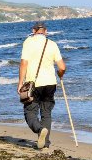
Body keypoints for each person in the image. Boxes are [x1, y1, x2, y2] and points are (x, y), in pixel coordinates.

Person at [18, 21, 66, 149]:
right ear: (45, 31)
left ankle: (39, 130)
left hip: (33, 83)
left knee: (30, 111)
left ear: (34, 31)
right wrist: (60, 74)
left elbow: (24, 63)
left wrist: (20, 82)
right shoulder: (52, 44)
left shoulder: (28, 42)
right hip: (50, 82)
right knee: (46, 112)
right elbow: (62, 67)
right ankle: (46, 142)